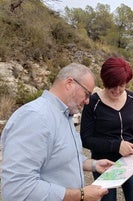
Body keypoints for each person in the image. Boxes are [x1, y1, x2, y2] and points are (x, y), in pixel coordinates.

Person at [1, 63, 115, 201]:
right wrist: (81, 195)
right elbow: (18, 188)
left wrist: (94, 165)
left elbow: (62, 157)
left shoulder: (64, 115)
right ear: (69, 83)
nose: (87, 101)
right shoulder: (35, 117)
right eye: (86, 94)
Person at [80, 57, 133, 201]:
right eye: (112, 85)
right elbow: (85, 139)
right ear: (104, 81)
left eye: (121, 85)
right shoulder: (92, 103)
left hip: (130, 161)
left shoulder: (132, 98)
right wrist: (116, 145)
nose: (117, 90)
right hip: (104, 163)